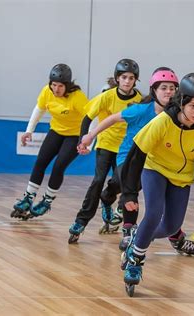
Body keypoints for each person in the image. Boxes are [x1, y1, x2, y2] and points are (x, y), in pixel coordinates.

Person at [77, 67, 194, 256]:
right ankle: (130, 231)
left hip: (156, 161)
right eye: (164, 88)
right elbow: (112, 119)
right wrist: (90, 135)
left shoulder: (180, 114)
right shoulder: (140, 110)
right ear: (154, 90)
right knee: (131, 185)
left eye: (172, 88)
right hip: (129, 157)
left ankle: (174, 235)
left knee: (166, 198)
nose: (168, 92)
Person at [120, 73, 194, 296]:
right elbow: (136, 156)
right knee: (153, 214)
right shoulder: (163, 121)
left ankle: (138, 238)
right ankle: (135, 260)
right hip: (155, 169)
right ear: (181, 101)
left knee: (172, 227)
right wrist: (129, 194)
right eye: (192, 105)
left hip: (181, 178)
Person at [68, 58, 142, 242]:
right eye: (124, 77)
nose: (127, 81)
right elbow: (87, 117)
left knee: (123, 182)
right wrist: (82, 140)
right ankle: (81, 221)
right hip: (105, 144)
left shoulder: (140, 100)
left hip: (126, 148)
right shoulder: (107, 96)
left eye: (131, 78)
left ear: (135, 80)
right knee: (98, 180)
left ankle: (107, 199)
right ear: (117, 78)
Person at [10, 64, 89, 219]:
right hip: (56, 131)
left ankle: (46, 202)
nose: (56, 89)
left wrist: (88, 141)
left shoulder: (77, 97)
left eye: (60, 86)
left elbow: (92, 118)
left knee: (59, 166)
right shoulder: (47, 92)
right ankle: (28, 198)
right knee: (40, 161)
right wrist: (28, 131)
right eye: (53, 85)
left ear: (67, 85)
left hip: (74, 135)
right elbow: (38, 110)